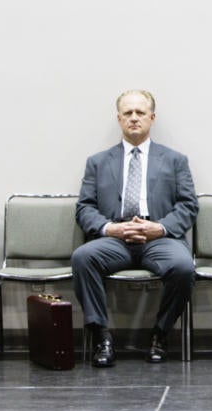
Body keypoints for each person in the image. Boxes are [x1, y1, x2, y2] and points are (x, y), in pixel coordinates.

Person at [72, 90, 198, 367]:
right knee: (82, 258)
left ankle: (161, 334)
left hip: (158, 239)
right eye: (127, 113)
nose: (134, 118)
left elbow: (188, 206)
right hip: (116, 239)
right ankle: (101, 336)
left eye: (140, 113)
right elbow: (84, 208)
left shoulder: (175, 160)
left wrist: (160, 228)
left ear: (152, 118)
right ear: (119, 119)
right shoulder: (98, 162)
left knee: (183, 267)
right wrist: (110, 229)